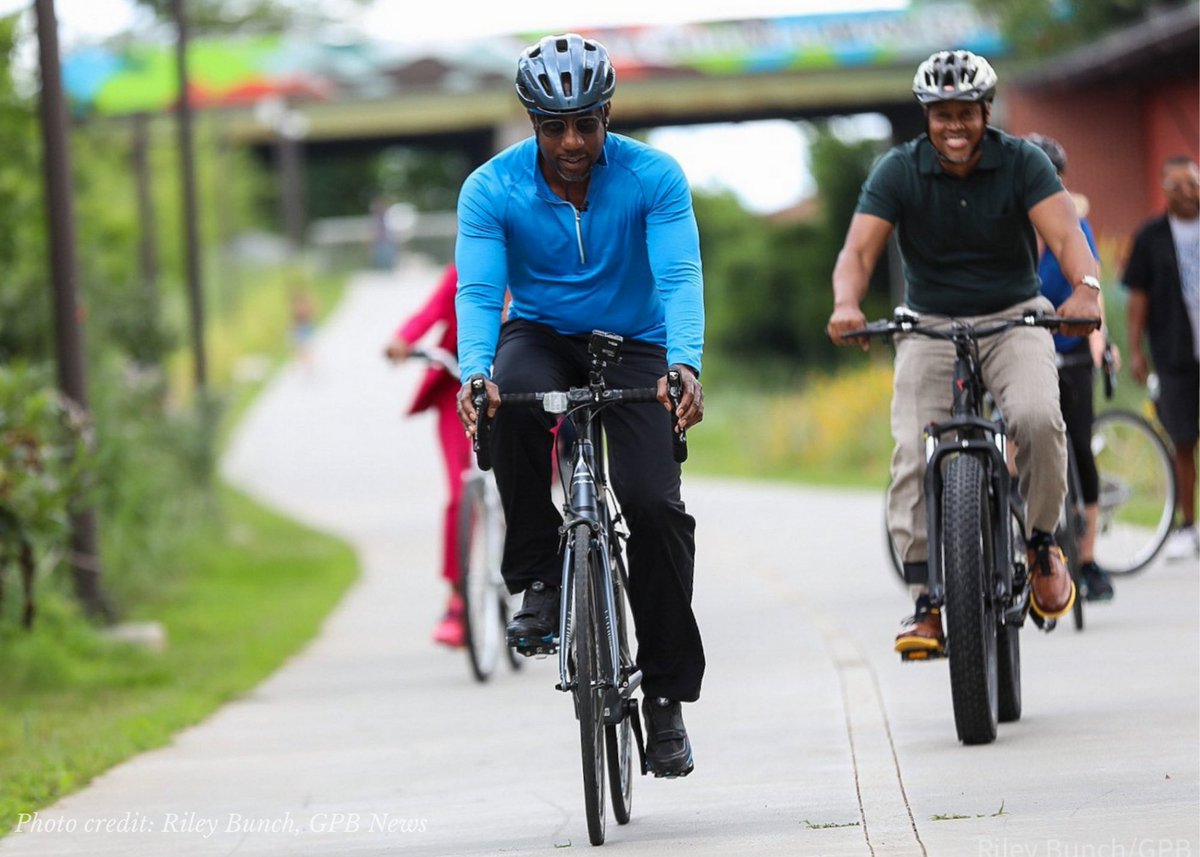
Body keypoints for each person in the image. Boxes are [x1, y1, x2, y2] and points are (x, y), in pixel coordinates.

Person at [454, 33, 705, 777]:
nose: (572, 142)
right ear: (533, 123)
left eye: (586, 124)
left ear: (606, 117)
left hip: (638, 340)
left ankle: (664, 700)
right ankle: (538, 576)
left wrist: (684, 363)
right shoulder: (491, 189)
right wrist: (476, 375)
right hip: (540, 334)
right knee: (511, 403)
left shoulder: (653, 177)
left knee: (657, 510)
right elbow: (477, 291)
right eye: (555, 126)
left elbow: (680, 273)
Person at [826, 50, 1102, 658]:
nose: (954, 126)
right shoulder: (898, 170)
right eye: (941, 114)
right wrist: (847, 303)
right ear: (928, 116)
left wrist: (1085, 289)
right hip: (927, 324)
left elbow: (1064, 235)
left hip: (1013, 316)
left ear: (985, 112)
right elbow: (859, 253)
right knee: (911, 448)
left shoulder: (1022, 162)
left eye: (966, 114)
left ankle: (1041, 542)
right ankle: (927, 601)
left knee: (1035, 418)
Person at [1026, 133, 1115, 600]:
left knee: (1079, 444)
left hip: (1072, 346)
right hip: (1022, 351)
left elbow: (1091, 285)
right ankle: (1026, 541)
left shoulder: (1076, 227)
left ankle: (1088, 558)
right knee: (1018, 438)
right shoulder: (1010, 230)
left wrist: (1100, 341)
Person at [384, 263, 473, 648]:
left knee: (524, 485)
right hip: (459, 388)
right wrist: (402, 339)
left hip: (520, 389)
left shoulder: (531, 259)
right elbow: (431, 311)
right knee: (460, 494)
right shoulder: (464, 269)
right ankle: (458, 598)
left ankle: (546, 587)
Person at [1122, 156, 1200, 561]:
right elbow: (1138, 299)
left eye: (1192, 184)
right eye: (1177, 187)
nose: (1187, 193)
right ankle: (1189, 524)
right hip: (1174, 352)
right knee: (1183, 438)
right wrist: (1136, 349)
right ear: (1164, 191)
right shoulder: (1151, 236)